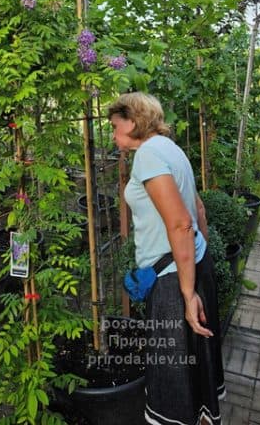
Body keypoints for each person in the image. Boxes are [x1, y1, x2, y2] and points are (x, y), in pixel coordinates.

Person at [108, 92, 225, 425]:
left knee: (174, 377)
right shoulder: (171, 149)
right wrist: (201, 271)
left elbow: (180, 222)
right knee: (196, 371)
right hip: (193, 267)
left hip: (174, 280)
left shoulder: (147, 155)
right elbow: (198, 210)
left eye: (116, 127)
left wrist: (187, 295)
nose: (114, 135)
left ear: (132, 121)